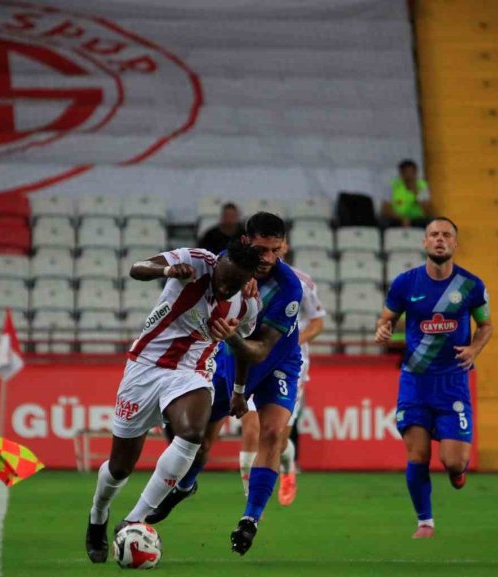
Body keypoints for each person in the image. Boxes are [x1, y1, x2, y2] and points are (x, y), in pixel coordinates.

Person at [84, 241, 262, 564]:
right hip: (145, 367)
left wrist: (238, 389)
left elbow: (243, 348)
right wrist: (166, 270)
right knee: (120, 467)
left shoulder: (247, 305)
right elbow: (137, 268)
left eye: (235, 284)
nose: (225, 287)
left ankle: (134, 520)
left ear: (247, 280)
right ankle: (98, 514)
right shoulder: (195, 261)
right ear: (219, 262)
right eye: (224, 278)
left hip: (191, 372)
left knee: (194, 433)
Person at [143, 212, 303, 556]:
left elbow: (260, 350)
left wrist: (233, 342)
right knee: (199, 441)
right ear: (246, 242)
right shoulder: (223, 269)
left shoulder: (289, 287)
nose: (269, 259)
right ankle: (185, 486)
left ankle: (250, 519)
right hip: (226, 360)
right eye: (262, 250)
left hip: (277, 361)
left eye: (277, 251)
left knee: (273, 433)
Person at [374, 217, 493, 539]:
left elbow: (485, 326)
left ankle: (457, 473)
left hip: (453, 382)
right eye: (434, 235)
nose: (440, 240)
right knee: (418, 455)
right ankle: (425, 522)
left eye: (446, 235)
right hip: (414, 380)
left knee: (453, 462)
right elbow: (386, 318)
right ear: (425, 242)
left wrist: (475, 349)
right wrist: (383, 328)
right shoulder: (405, 283)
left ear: (455, 243)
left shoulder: (471, 286)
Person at [237, 263, 325, 506]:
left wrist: (292, 341)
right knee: (251, 432)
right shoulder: (245, 277)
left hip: (287, 366)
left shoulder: (300, 282)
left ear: (282, 245)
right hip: (253, 361)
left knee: (276, 437)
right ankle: (251, 502)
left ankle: (288, 468)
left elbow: (317, 322)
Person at [382, 159, 432, 228]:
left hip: (417, 219)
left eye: (412, 172)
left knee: (431, 222)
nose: (409, 176)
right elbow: (385, 210)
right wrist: (401, 218)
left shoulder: (422, 186)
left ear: (416, 172)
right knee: (383, 222)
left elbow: (428, 211)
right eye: (406, 173)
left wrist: (417, 194)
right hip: (397, 219)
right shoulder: (392, 186)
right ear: (401, 174)